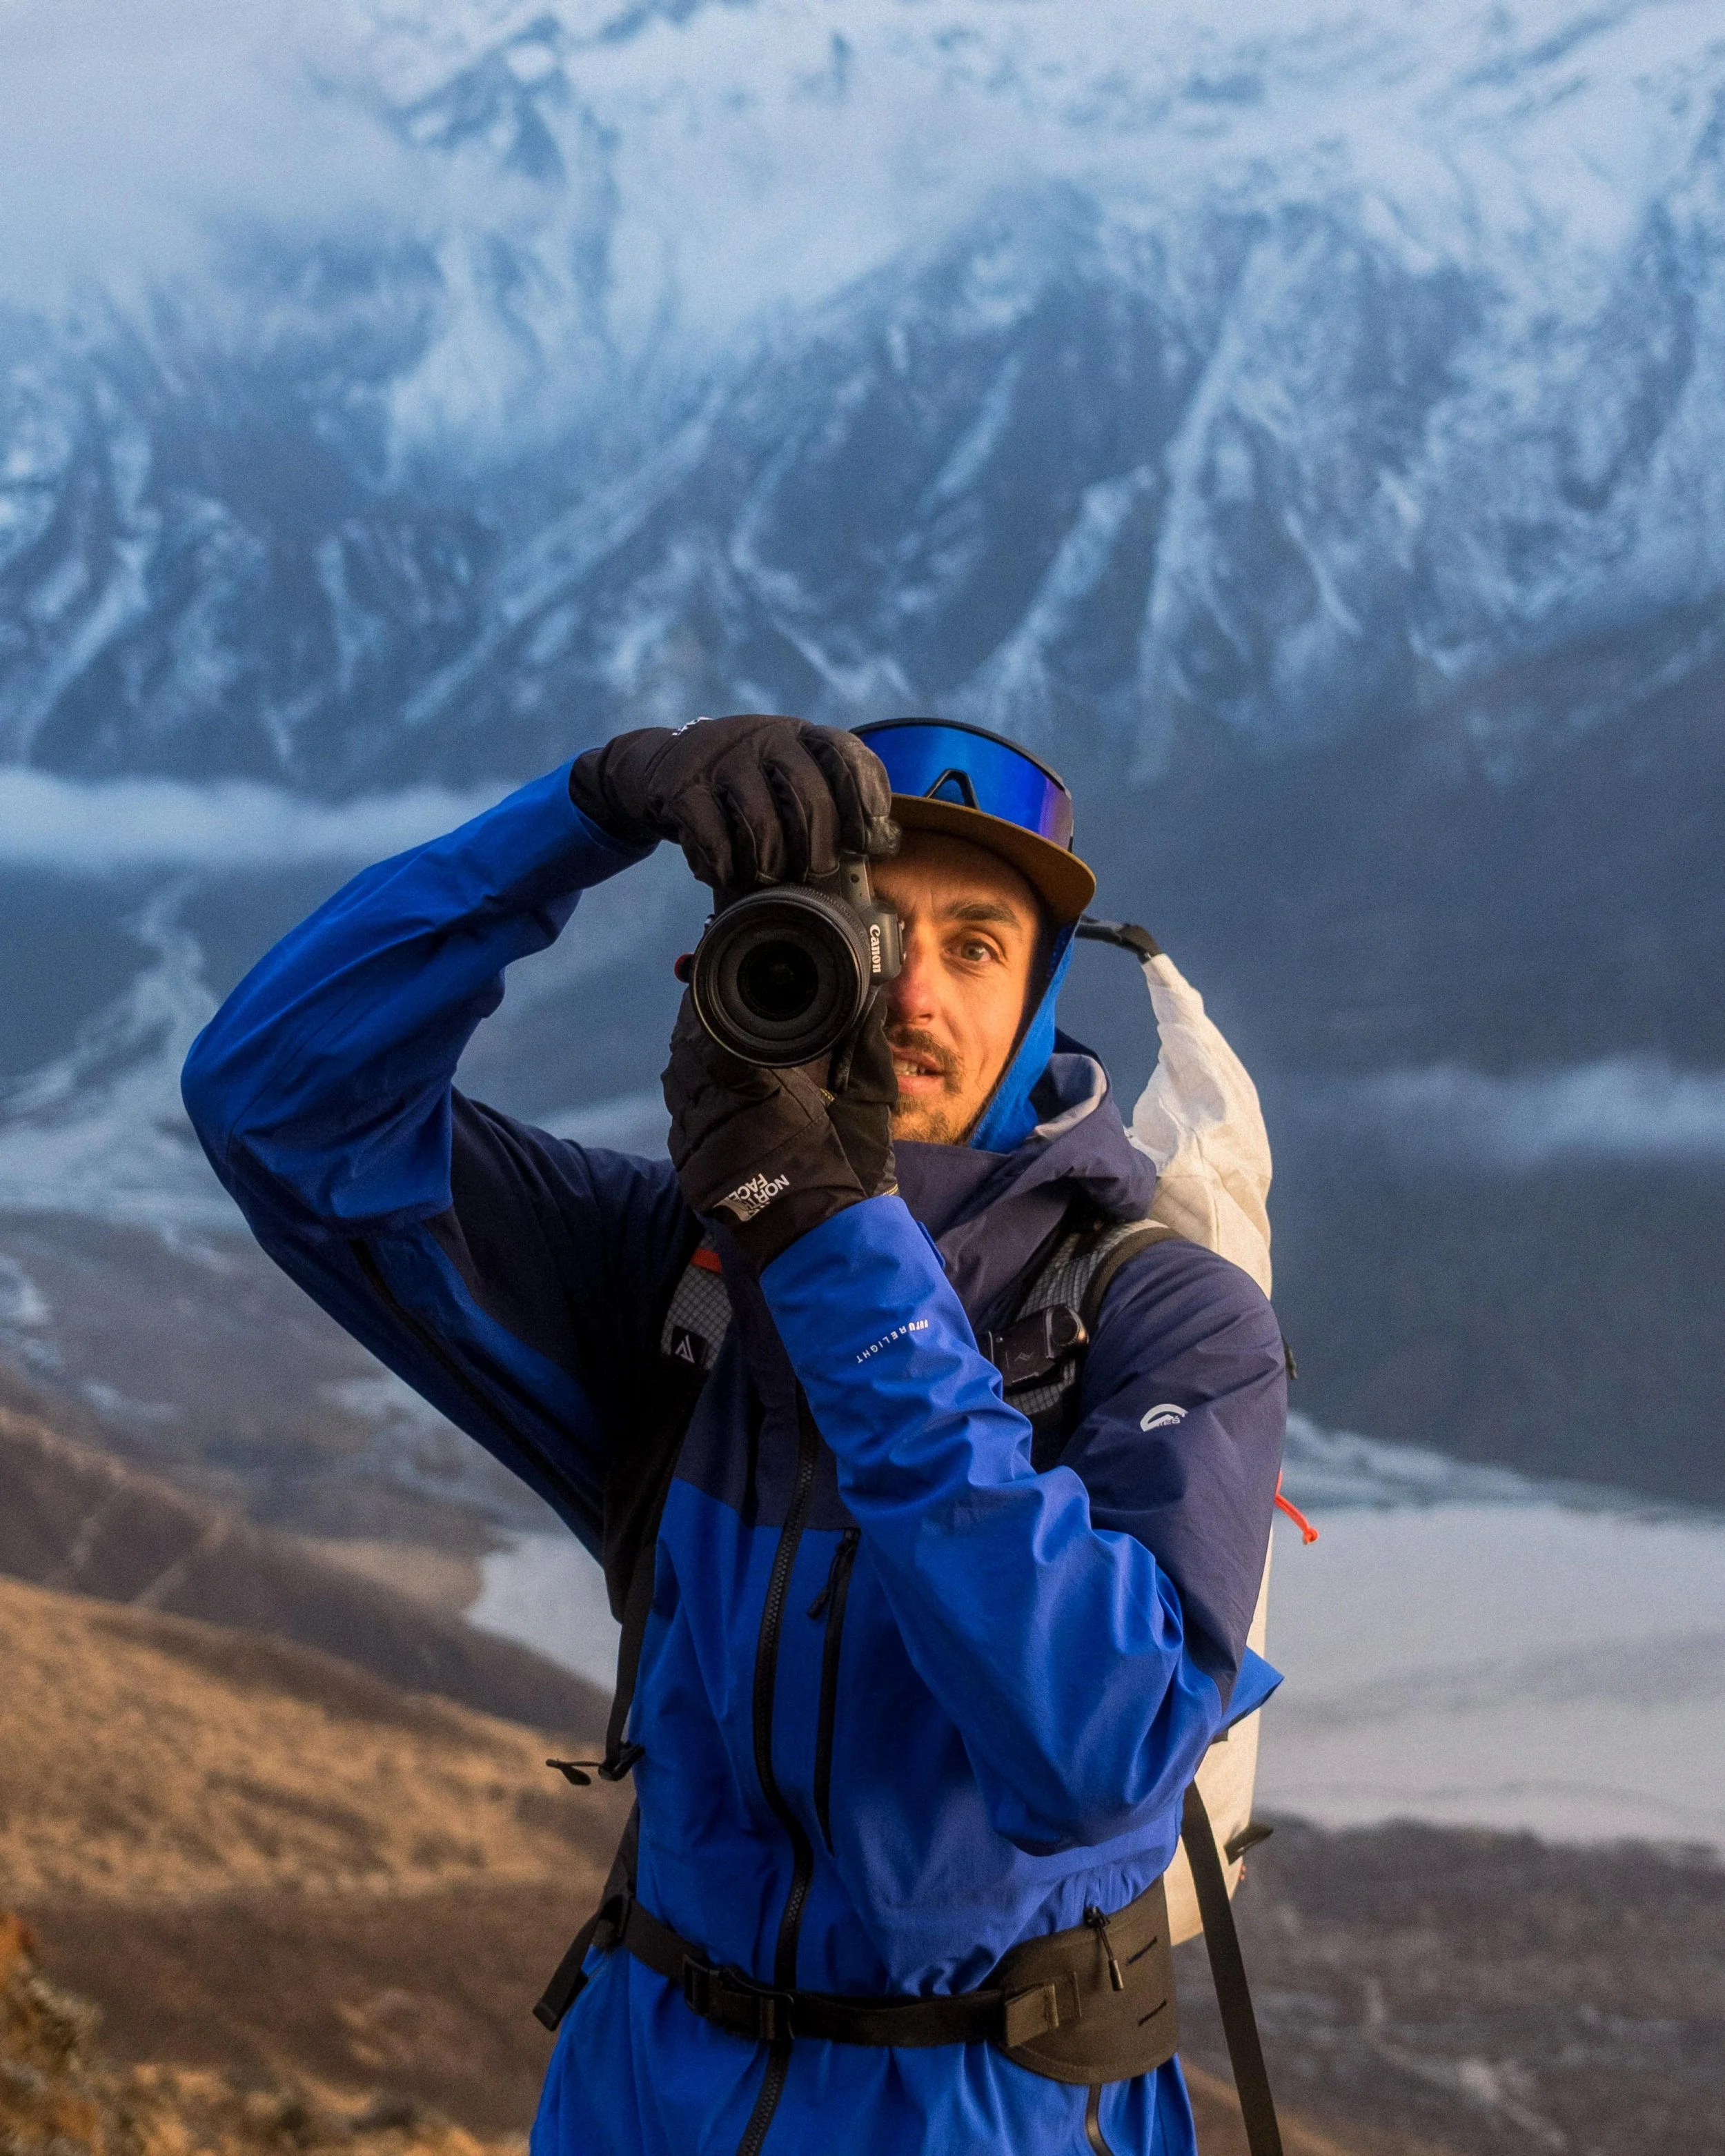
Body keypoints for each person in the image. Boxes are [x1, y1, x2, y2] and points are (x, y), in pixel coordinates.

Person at [181, 713, 1286, 2156]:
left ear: (1036, 999)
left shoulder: (1164, 1317)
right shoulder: (673, 1268)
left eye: (972, 943)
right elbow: (275, 1104)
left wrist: (823, 1236)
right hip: (644, 2087)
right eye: (870, 931)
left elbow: (1095, 1745)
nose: (914, 996)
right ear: (755, 958)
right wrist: (586, 809)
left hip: (988, 2108)